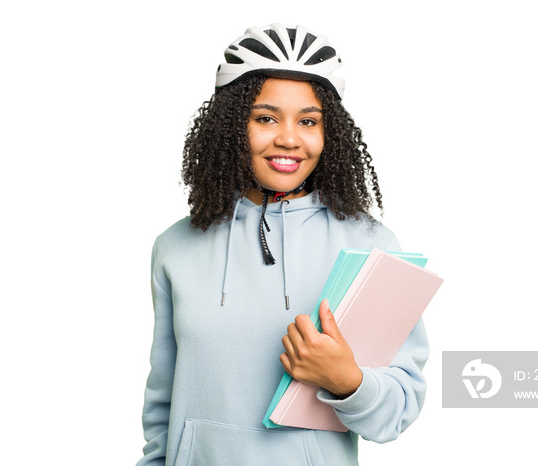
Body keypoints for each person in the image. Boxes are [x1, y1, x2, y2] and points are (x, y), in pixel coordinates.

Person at [138, 23, 430, 466]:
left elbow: (397, 410)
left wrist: (347, 381)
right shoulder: (176, 246)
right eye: (266, 118)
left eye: (308, 121)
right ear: (232, 127)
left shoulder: (371, 245)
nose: (289, 138)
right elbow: (162, 405)